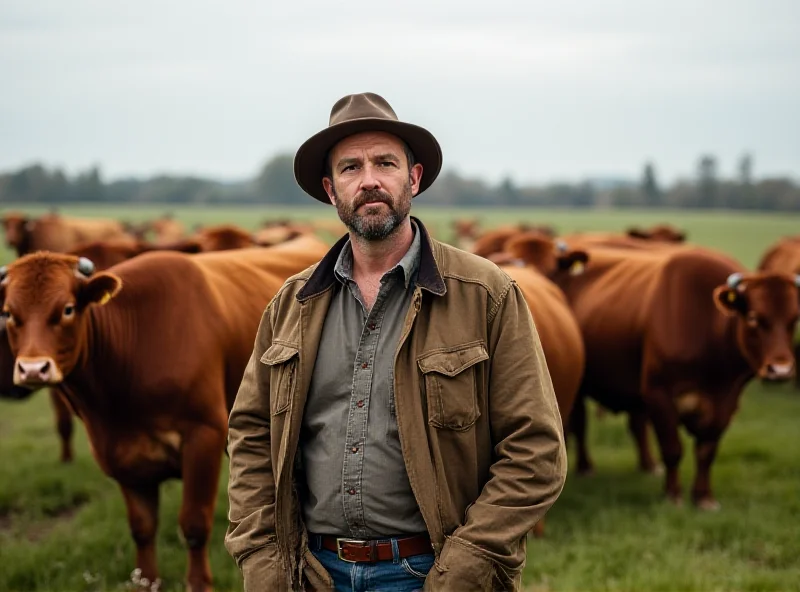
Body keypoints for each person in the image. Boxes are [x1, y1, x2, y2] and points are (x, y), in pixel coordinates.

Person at [225, 92, 567, 592]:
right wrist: (264, 560)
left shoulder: (485, 294)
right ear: (330, 189)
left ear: (413, 178)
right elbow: (252, 435)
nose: (369, 180)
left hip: (432, 573)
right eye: (350, 168)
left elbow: (536, 449)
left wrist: (467, 565)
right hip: (312, 573)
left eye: (385, 162)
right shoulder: (291, 304)